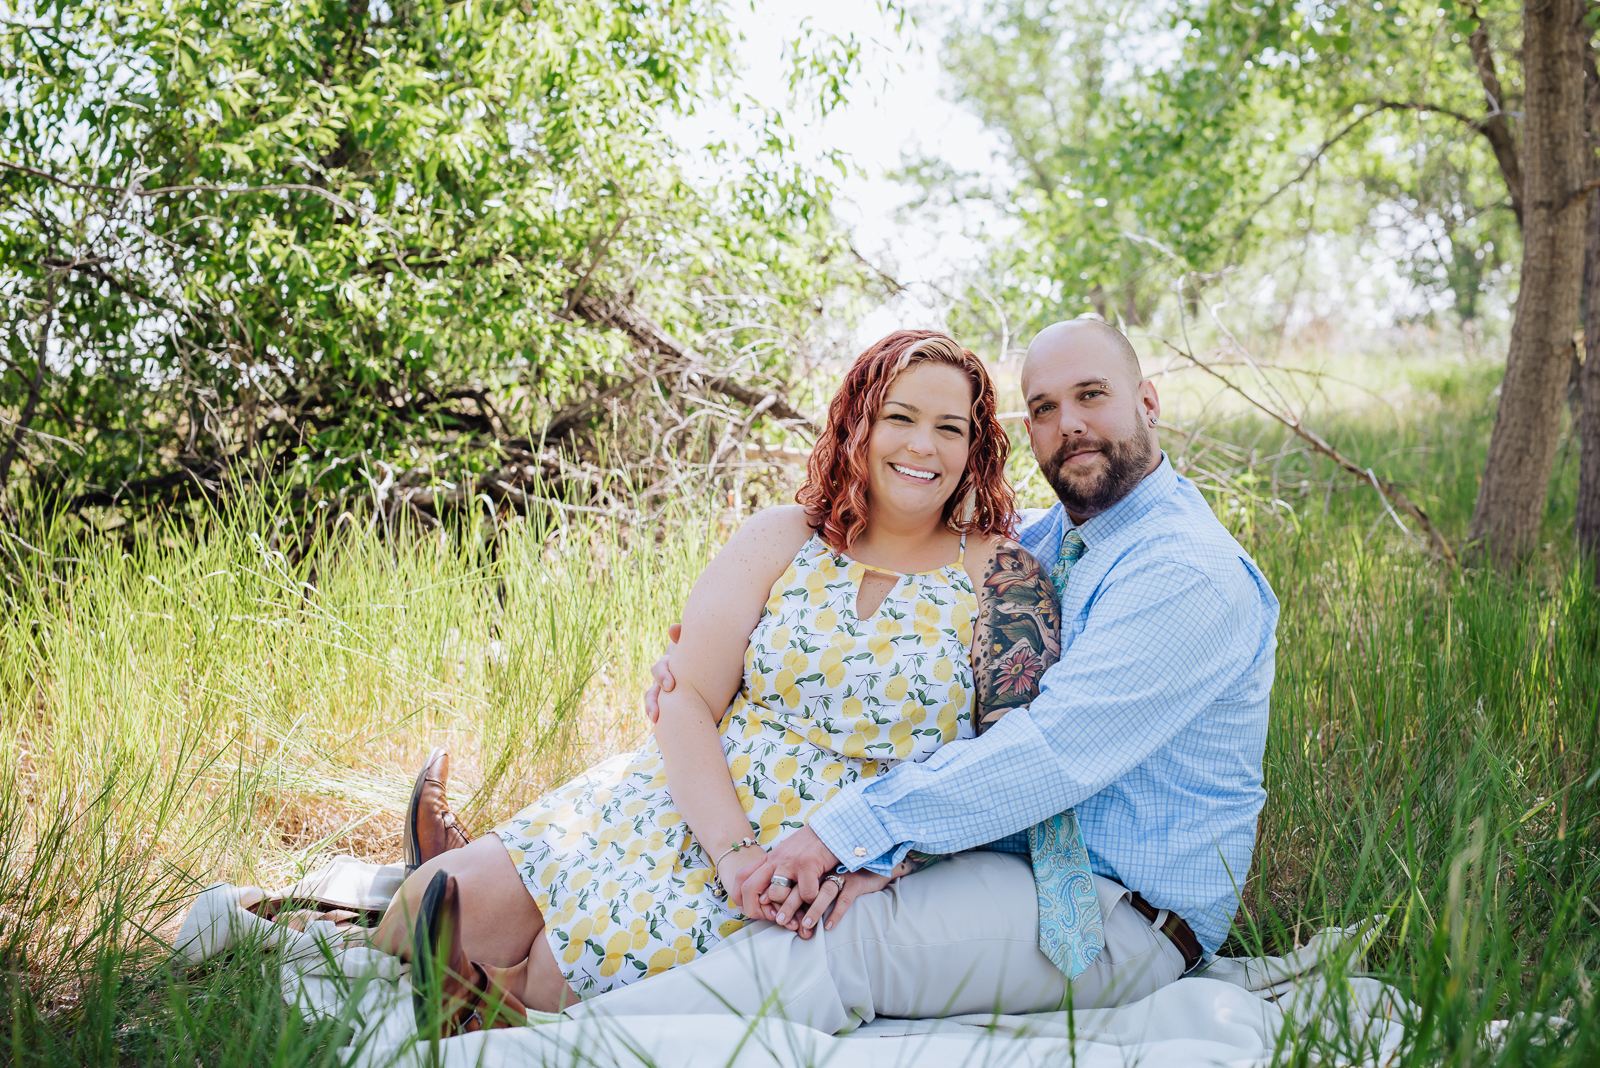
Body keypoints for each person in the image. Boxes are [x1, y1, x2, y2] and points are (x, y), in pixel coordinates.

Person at [570, 318, 1281, 1031]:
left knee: (846, 941)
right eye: (1043, 408)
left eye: (1092, 395)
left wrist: (855, 830)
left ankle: (559, 1047)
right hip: (1012, 861)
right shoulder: (1063, 536)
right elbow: (936, 557)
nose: (1070, 425)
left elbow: (1050, 753)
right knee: (825, 904)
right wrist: (713, 647)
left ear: (1148, 403)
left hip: (1115, 911)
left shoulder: (1187, 574)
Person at [374, 329, 1069, 1034]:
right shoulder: (785, 537)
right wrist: (733, 853)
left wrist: (880, 859)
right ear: (858, 420)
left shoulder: (1002, 577)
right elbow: (687, 698)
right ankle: (449, 878)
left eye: (949, 428)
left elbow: (1005, 767)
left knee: (559, 978)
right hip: (695, 798)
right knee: (419, 916)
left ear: (975, 448)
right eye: (900, 417)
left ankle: (496, 1004)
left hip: (821, 856)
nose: (923, 445)